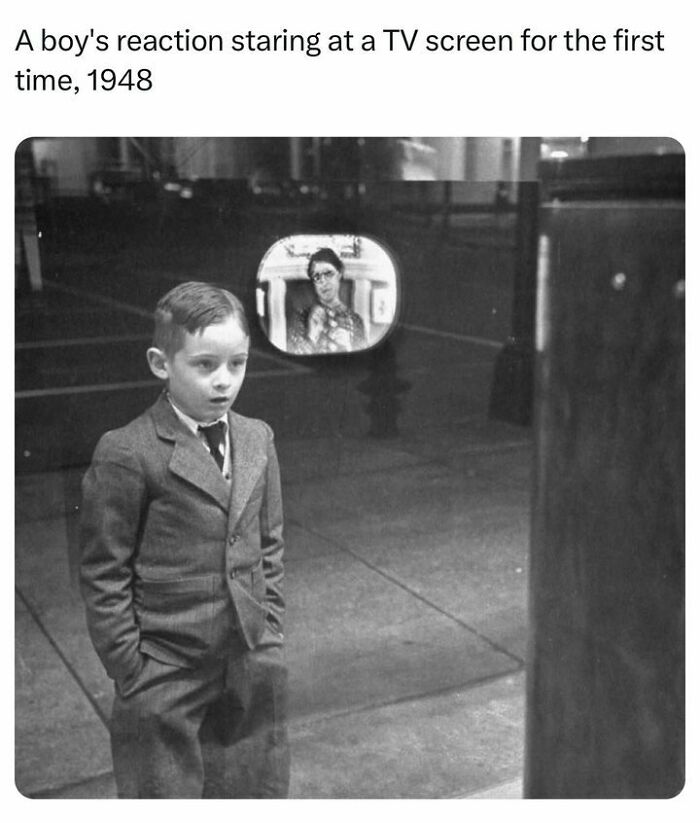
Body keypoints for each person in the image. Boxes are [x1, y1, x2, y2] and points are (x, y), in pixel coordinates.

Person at [79, 281, 288, 798]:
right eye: (205, 365)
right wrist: (132, 669)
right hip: (165, 668)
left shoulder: (257, 438)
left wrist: (270, 630)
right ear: (160, 363)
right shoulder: (128, 452)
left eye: (237, 364)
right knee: (162, 794)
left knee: (248, 788)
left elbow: (269, 542)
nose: (224, 381)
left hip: (247, 657)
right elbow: (106, 570)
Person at [287, 247, 366, 354]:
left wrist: (349, 347)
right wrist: (311, 337)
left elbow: (363, 361)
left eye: (328, 273)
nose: (323, 281)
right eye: (317, 276)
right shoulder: (301, 317)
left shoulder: (356, 321)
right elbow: (292, 360)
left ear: (339, 274)